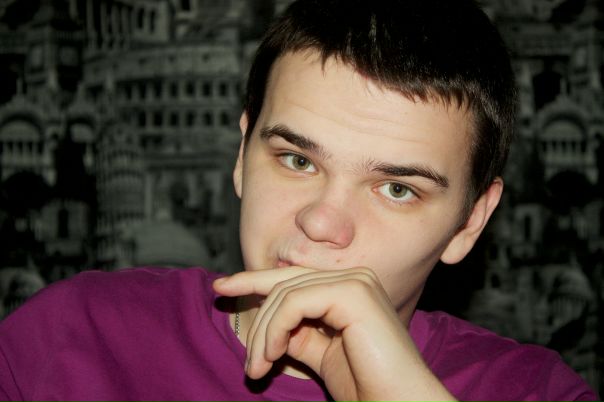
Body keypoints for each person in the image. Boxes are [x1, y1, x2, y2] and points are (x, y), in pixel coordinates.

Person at [0, 0, 598, 401]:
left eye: (396, 189)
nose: (320, 221)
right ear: (242, 156)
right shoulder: (67, 339)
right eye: (297, 160)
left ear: (470, 222)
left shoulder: (536, 391)